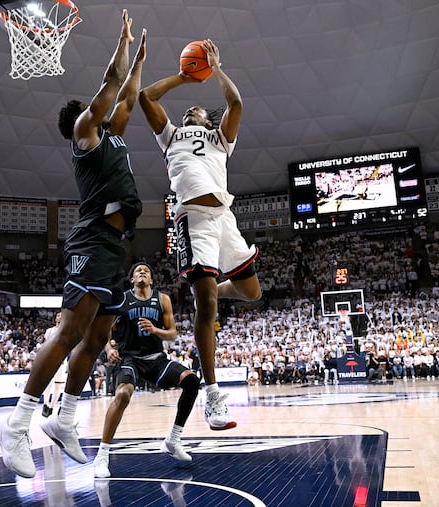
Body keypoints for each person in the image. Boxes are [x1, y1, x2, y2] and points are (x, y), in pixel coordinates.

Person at [0, 10, 146, 479]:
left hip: (115, 246)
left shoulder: (114, 138)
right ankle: (16, 424)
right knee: (70, 333)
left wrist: (138, 60)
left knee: (98, 338)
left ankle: (65, 419)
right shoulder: (84, 135)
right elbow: (110, 86)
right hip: (92, 240)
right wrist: (120, 49)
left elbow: (127, 95)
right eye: (95, 111)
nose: (103, 112)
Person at [139, 39, 261, 430]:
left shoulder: (220, 138)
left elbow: (236, 104)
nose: (191, 111)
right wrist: (183, 77)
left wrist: (217, 68)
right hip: (192, 220)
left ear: (208, 121)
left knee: (252, 293)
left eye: (198, 110)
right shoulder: (171, 136)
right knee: (206, 305)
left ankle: (213, 286)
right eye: (188, 110)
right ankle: (213, 396)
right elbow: (145, 97)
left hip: (224, 219)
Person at [93, 262, 200, 478]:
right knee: (122, 394)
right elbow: (103, 328)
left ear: (151, 280)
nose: (142, 272)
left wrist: (154, 329)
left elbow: (172, 334)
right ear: (132, 279)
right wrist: (107, 348)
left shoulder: (163, 300)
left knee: (192, 381)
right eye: (137, 271)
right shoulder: (121, 299)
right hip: (129, 358)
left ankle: (173, 439)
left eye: (146, 271)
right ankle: (102, 455)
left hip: (156, 359)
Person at [41, 312, 66, 417]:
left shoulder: (66, 330)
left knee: (58, 385)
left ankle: (52, 406)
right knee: (48, 383)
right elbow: (46, 344)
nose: (59, 317)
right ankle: (45, 404)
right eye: (57, 316)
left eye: (61, 315)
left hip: (61, 360)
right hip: (50, 359)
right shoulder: (49, 331)